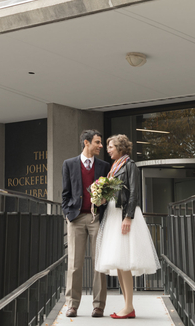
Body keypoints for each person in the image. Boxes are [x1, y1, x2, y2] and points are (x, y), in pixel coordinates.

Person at [96, 134, 159, 319]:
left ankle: (129, 306)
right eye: (107, 146)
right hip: (114, 214)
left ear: (121, 148)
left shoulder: (130, 165)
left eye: (111, 146)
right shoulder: (115, 167)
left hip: (124, 215)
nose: (108, 149)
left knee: (125, 263)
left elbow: (134, 193)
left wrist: (128, 217)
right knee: (120, 263)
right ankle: (127, 306)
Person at [62, 129, 111, 318]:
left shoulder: (104, 166)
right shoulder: (68, 164)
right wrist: (67, 213)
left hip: (96, 217)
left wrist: (103, 201)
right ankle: (72, 304)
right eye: (97, 142)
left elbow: (108, 193)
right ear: (86, 143)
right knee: (75, 263)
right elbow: (65, 193)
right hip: (76, 218)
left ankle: (99, 305)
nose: (101, 146)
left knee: (99, 262)